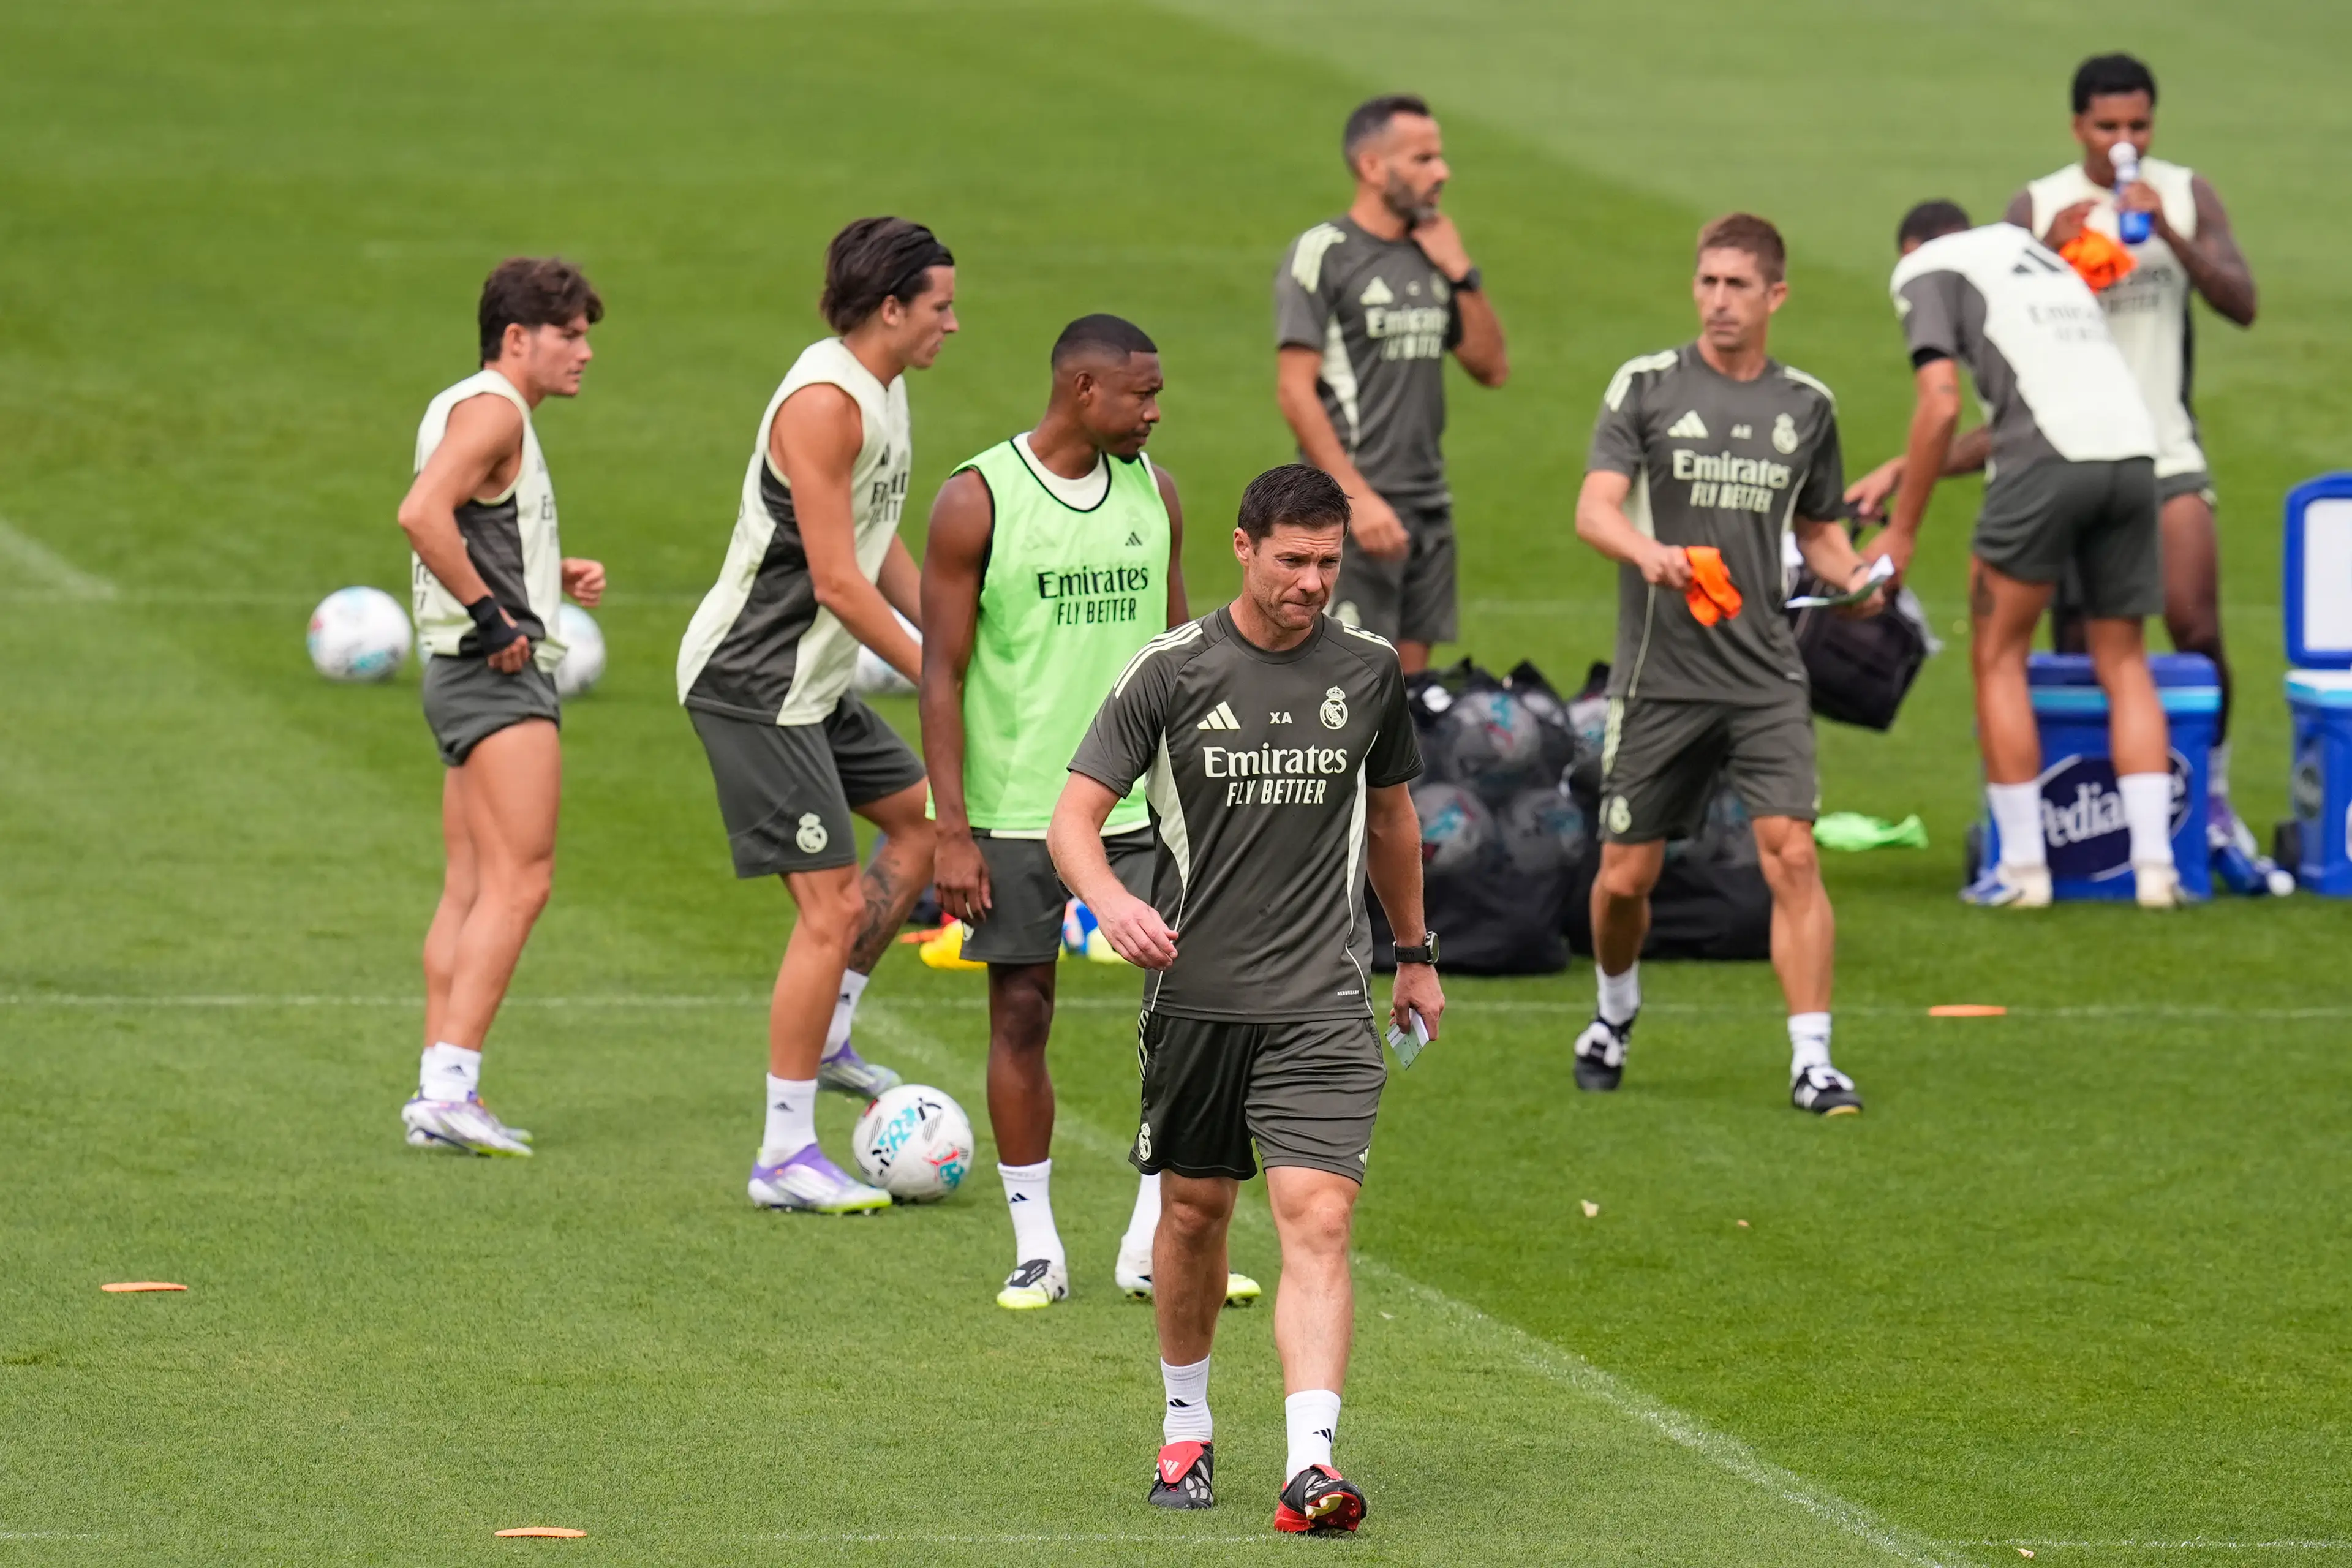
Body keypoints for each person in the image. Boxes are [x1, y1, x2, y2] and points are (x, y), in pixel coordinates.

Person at [1048, 464, 1441, 1532]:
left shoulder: (1367, 671)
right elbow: (1073, 820)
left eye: (1329, 562)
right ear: (1242, 547)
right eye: (1293, 560)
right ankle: (1187, 1429)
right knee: (1193, 1213)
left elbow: (1395, 818)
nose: (1313, 582)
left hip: (1322, 1000)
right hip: (1196, 1002)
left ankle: (1311, 1466)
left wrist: (1415, 951)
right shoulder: (1171, 672)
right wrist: (1111, 904)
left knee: (1318, 1215)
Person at [920, 314, 1261, 1312]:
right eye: (1140, 395)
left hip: (1145, 808)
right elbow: (938, 674)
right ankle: (1036, 1247)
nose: (1155, 413)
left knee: (1185, 1016)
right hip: (1018, 805)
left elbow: (1182, 654)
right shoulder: (975, 500)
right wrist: (950, 827)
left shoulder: (1155, 496)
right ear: (1082, 390)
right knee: (1022, 1010)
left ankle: (1151, 1240)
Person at [1849, 53, 2259, 852]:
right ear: (2078, 127)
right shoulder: (2037, 207)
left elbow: (2242, 302)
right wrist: (2052, 248)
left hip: (2162, 449)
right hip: (2057, 453)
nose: (2123, 141)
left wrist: (2166, 232)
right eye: (2107, 127)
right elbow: (2007, 369)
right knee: (2078, 646)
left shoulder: (2183, 193)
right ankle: (2097, 823)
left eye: (2138, 125)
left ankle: (2210, 798)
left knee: (2193, 625)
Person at [1570, 215, 1880, 1117]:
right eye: (1707, 282)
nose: (1718, 301)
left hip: (1763, 674)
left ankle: (1813, 1060)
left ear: (1775, 295)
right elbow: (1595, 511)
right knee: (1626, 878)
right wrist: (1648, 552)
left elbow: (1819, 529)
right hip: (1659, 676)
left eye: (1737, 286)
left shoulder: (1806, 406)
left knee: (1791, 854)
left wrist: (1858, 581)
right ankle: (1614, 1011)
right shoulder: (1648, 387)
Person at [676, 217, 953, 1213]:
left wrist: (957, 641)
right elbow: (837, 581)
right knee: (829, 908)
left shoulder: (887, 389)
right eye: (940, 307)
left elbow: (879, 545)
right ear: (890, 308)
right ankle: (783, 1156)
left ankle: (830, 1033)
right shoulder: (825, 406)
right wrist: (935, 679)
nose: (953, 326)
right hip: (755, 684)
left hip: (816, 686)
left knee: (921, 828)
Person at [1863, 201, 2183, 909]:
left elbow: (1942, 406)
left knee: (1998, 655)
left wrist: (1903, 529)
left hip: (2045, 467)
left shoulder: (1924, 266)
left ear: (1912, 247)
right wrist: (1900, 468)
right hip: (2133, 455)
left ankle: (2023, 872)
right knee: (2125, 661)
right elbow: (2014, 419)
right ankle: (2158, 871)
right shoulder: (2027, 259)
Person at [397, 258, 608, 1157]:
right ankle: (452, 1086)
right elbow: (421, 514)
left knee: (473, 887)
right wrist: (496, 614)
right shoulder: (495, 412)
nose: (585, 352)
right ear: (516, 338)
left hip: (454, 672)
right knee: (522, 882)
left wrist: (538, 576)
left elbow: (470, 518)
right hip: (494, 674)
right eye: (569, 334)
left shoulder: (463, 404)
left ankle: (436, 1088)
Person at [1273, 93, 1507, 673]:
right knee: (1343, 687)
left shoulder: (1432, 254)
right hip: (1351, 507)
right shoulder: (1325, 253)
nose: (1442, 172)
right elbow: (1294, 390)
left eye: (1441, 157)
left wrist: (1462, 273)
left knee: (1408, 699)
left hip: (1428, 504)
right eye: (1424, 158)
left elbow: (1491, 367)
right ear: (1373, 167)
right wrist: (1354, 498)